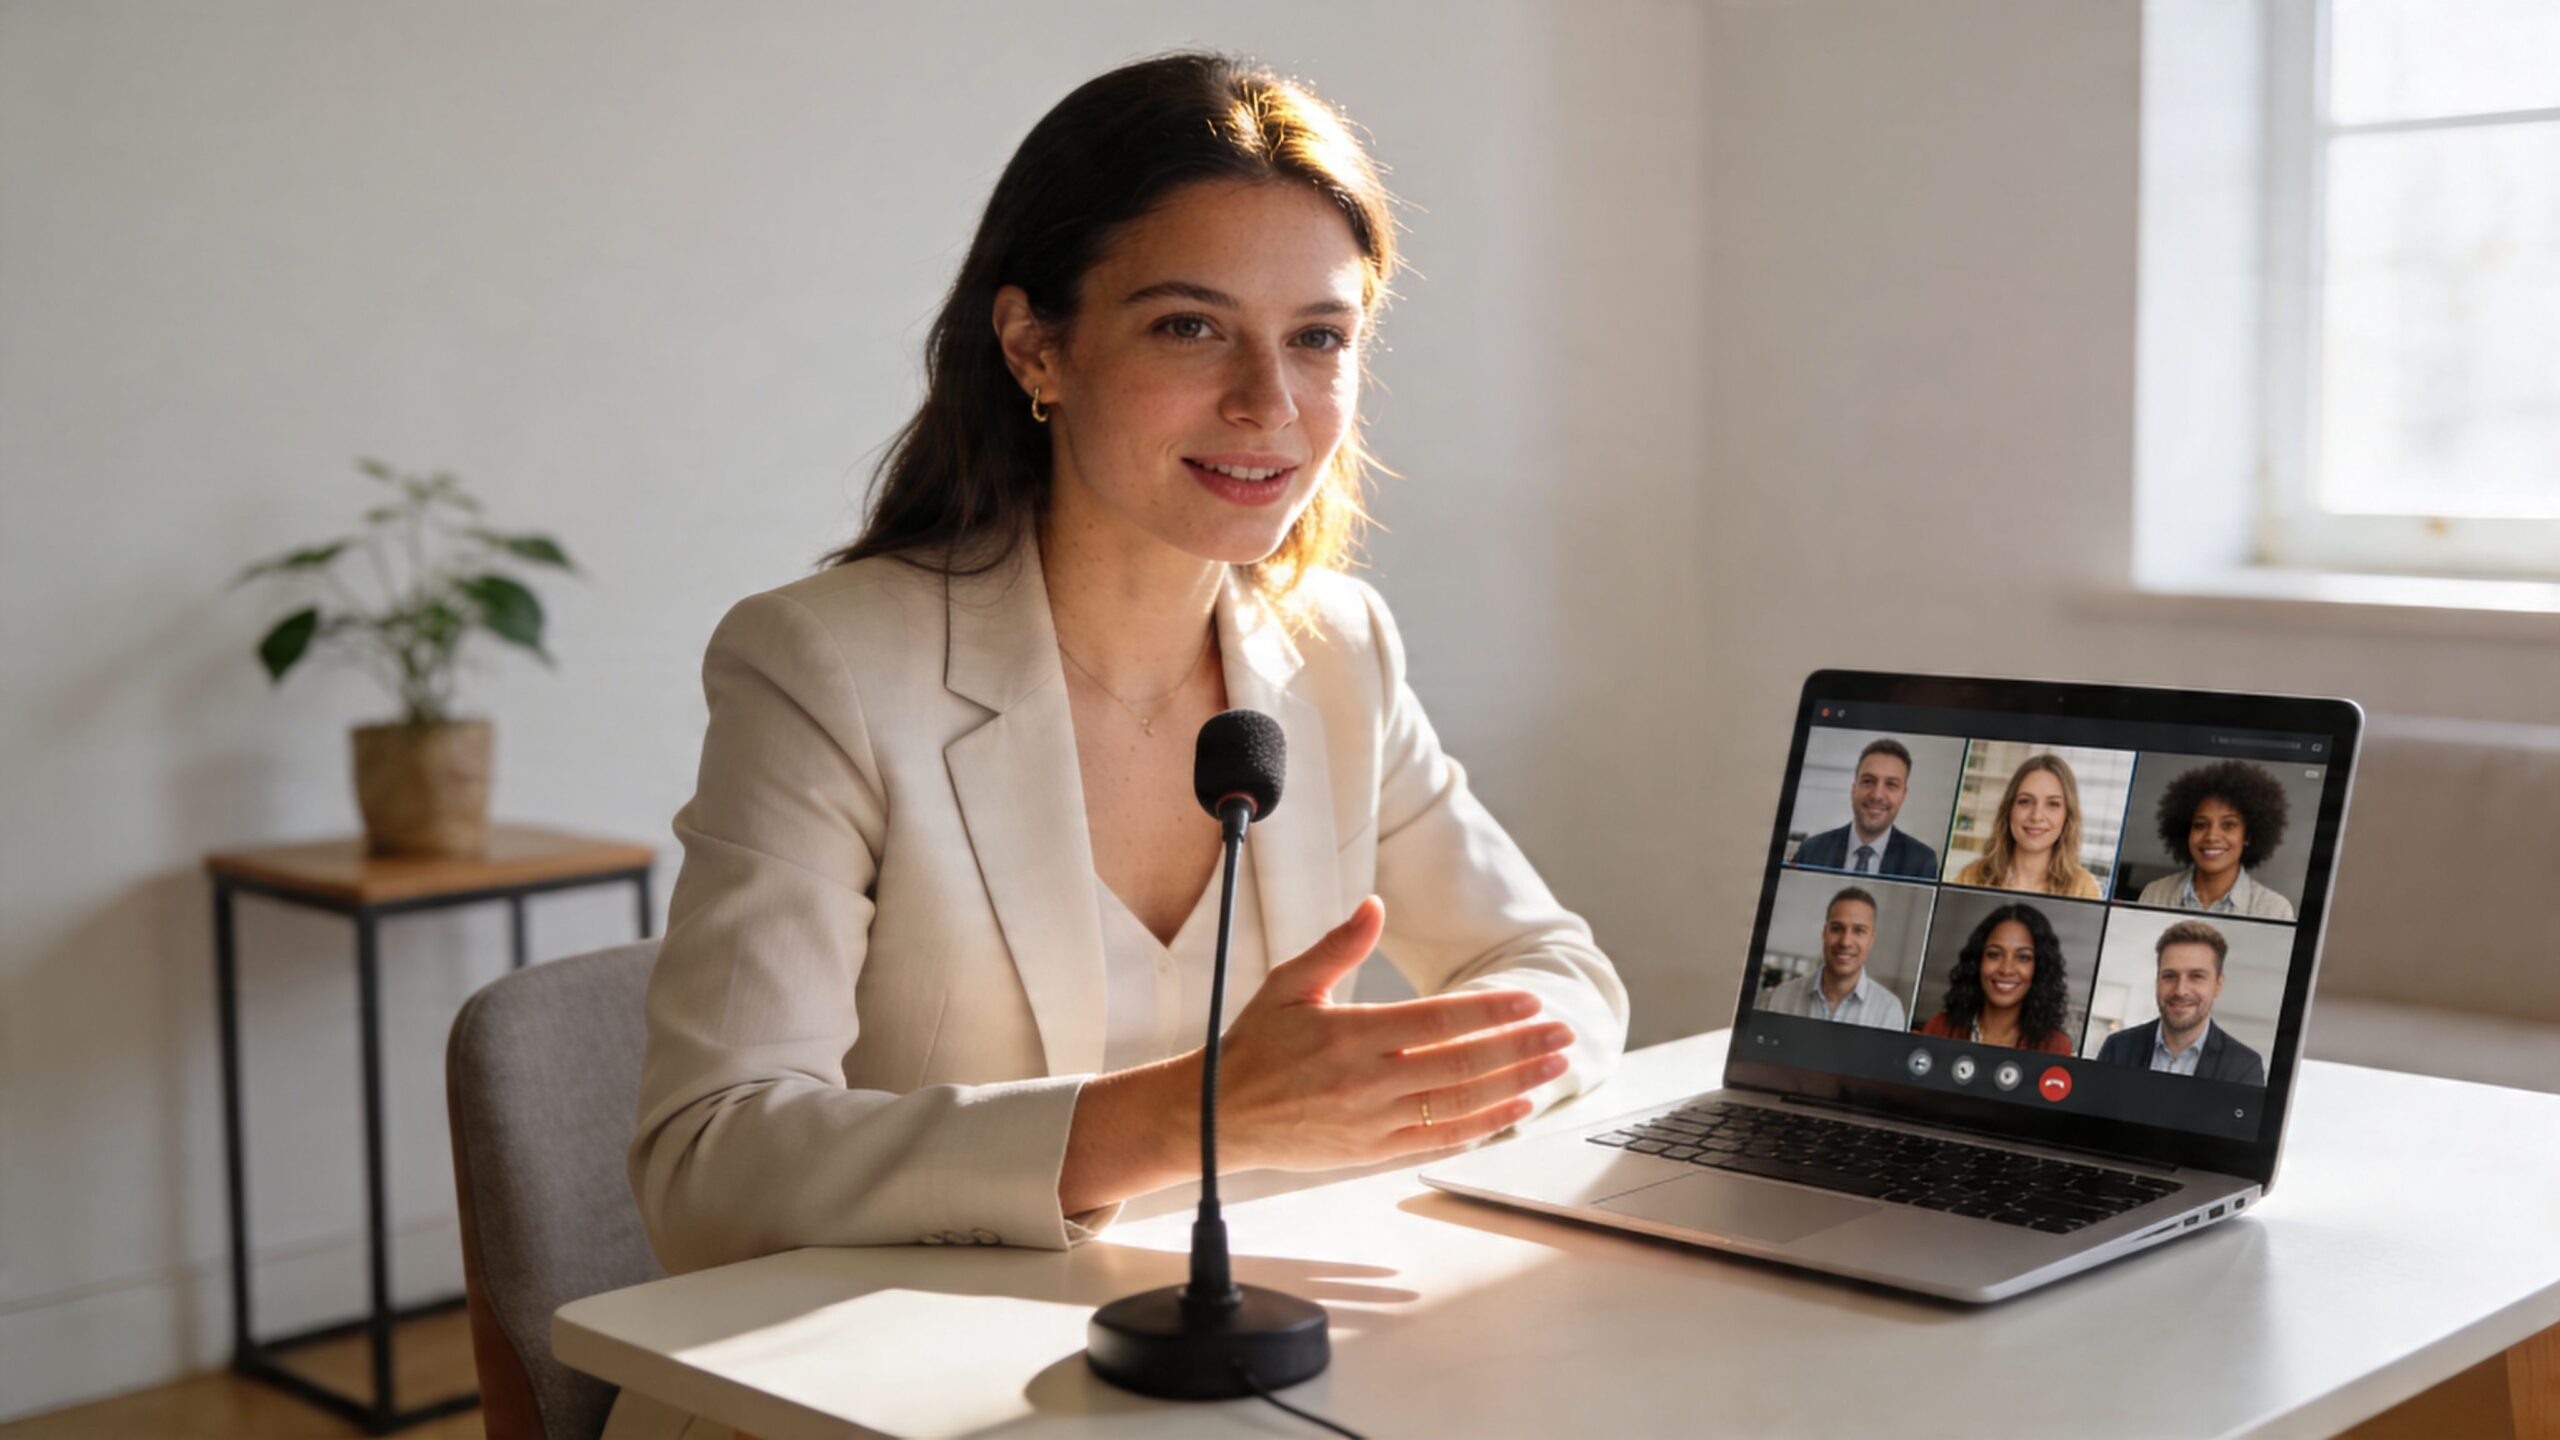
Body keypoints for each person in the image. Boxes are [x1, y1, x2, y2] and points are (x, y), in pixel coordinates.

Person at [626, 54, 1630, 1280]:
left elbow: (1557, 973)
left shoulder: (1336, 650)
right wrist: (1195, 1116)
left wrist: (1408, 1089)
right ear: (1035, 348)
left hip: (1274, 1355)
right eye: (1190, 327)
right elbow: (708, 1167)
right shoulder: (825, 666)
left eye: (1319, 337)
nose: (1269, 402)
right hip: (908, 1375)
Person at [2094, 921, 2267, 1084]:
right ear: (2157, 981)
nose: (2180, 990)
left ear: (2218, 985)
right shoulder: (2117, 1047)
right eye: (2170, 976)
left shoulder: (2244, 1068)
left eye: (2196, 976)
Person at [2135, 760, 2297, 921]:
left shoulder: (2274, 909)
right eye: (2201, 825)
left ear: (2247, 835)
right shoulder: (2155, 894)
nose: (2212, 836)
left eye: (2228, 825)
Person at [1913, 903, 2076, 1054]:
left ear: (2039, 968)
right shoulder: (1940, 1027)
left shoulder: (2056, 1046)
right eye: (1994, 954)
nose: (2006, 969)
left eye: (2023, 957)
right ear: (1978, 961)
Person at [1951, 753, 2104, 898]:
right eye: (2025, 801)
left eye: (2053, 804)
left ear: (2067, 815)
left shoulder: (2084, 888)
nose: (2036, 816)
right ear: (2009, 809)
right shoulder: (1972, 876)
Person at [1761, 887, 1910, 1030]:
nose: (1845, 942)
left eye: (1859, 931)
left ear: (1871, 939)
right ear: (1824, 933)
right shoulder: (1782, 997)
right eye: (1837, 928)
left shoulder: (1888, 1010)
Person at [1790, 738, 1941, 878]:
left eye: (1891, 785)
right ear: (1854, 788)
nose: (1877, 795)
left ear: (1903, 795)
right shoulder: (1811, 850)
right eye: (1868, 781)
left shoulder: (1923, 862)